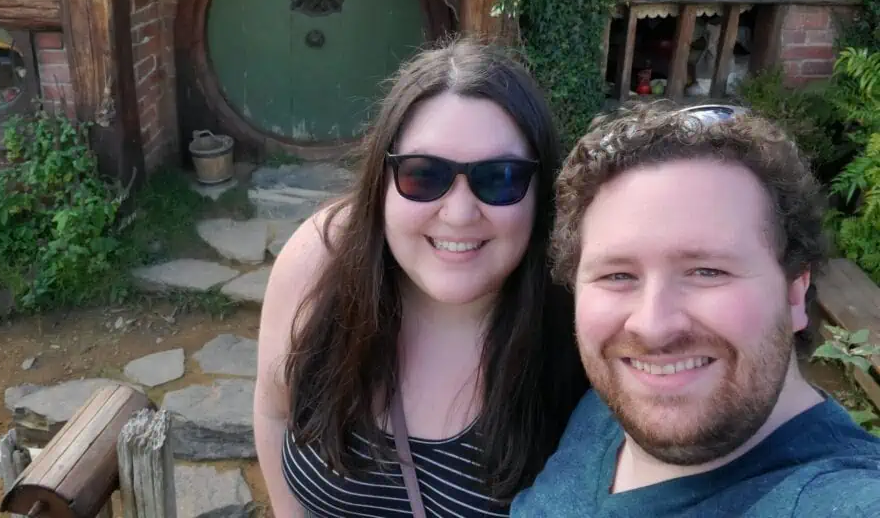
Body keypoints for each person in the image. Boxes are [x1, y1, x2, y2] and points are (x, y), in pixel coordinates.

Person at [255, 37, 588, 517]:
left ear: (541, 194)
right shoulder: (318, 261)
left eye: (500, 178)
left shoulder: (580, 322)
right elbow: (273, 410)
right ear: (382, 183)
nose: (457, 214)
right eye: (422, 175)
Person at [511, 103, 880, 517]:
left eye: (707, 271)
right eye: (617, 275)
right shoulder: (610, 403)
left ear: (795, 292)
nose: (652, 327)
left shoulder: (837, 499)